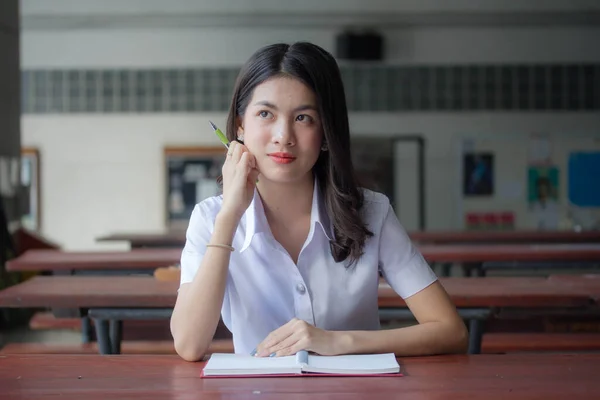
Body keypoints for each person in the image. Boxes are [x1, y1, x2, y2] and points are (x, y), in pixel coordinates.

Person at [170, 42, 468, 362]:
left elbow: (451, 330)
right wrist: (229, 215)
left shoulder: (371, 212)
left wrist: (336, 342)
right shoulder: (210, 218)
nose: (283, 135)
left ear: (326, 132)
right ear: (240, 125)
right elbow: (189, 345)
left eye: (303, 118)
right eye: (265, 114)